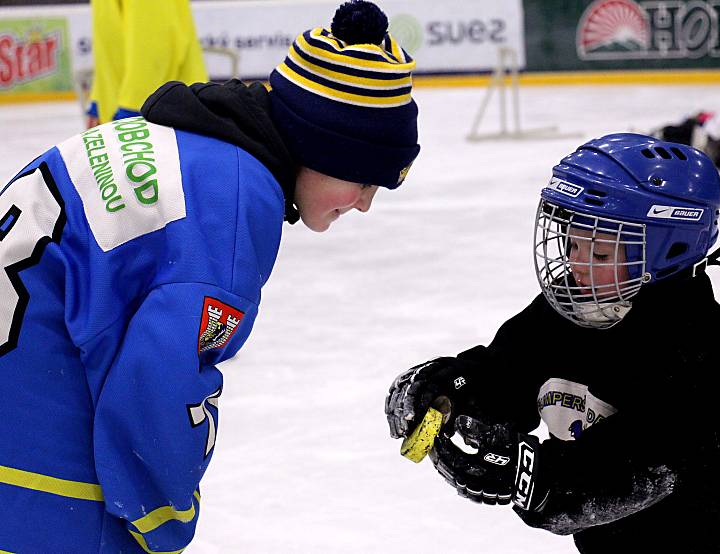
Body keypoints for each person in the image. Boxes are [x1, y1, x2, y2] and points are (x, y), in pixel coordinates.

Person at [0, 1, 419, 552]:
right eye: (364, 181)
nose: (364, 204)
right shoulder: (234, 203)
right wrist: (164, 520)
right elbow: (156, 385)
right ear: (321, 143)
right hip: (37, 469)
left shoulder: (192, 146)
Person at [386, 134, 720, 553]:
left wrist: (530, 478)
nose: (576, 266)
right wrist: (453, 389)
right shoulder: (574, 304)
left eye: (600, 254)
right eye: (573, 244)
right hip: (622, 540)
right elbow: (509, 372)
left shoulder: (709, 347)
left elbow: (637, 466)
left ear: (669, 248)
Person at [86, 0, 208, 128]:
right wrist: (100, 101)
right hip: (143, 109)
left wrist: (132, 110)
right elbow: (109, 35)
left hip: (159, 114)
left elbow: (154, 43)